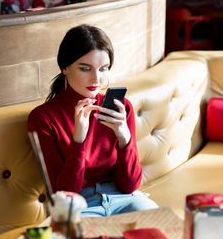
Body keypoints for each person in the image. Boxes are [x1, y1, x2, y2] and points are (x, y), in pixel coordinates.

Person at [27, 24, 158, 217]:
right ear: (65, 67)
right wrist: (79, 140)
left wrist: (124, 138)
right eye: (85, 68)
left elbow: (130, 184)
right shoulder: (43, 118)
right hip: (80, 206)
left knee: (163, 233)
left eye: (103, 69)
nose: (96, 78)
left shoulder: (122, 108)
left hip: (125, 198)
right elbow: (64, 194)